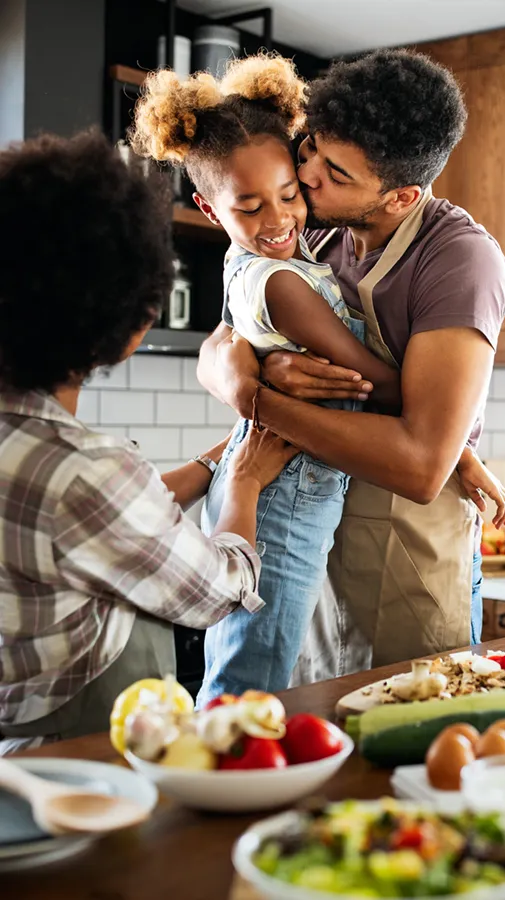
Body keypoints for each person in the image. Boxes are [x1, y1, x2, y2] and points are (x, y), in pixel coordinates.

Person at [197, 49, 505, 684]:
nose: (306, 175)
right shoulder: (313, 229)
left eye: (334, 171)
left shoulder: (460, 262)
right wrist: (231, 371)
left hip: (410, 546)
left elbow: (422, 466)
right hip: (317, 526)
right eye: (311, 147)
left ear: (399, 196)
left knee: (412, 736)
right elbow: (227, 339)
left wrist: (257, 399)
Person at [0, 129, 296, 754]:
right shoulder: (86, 471)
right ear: (131, 325)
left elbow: (92, 525)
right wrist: (243, 484)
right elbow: (215, 590)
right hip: (87, 764)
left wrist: (215, 461)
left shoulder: (46, 457)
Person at [131, 56, 406, 704]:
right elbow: (380, 386)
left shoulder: (263, 260)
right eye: (250, 206)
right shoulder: (283, 281)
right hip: (281, 495)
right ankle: (214, 796)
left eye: (290, 195)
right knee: (247, 685)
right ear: (207, 206)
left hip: (272, 474)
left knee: (262, 674)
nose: (280, 219)